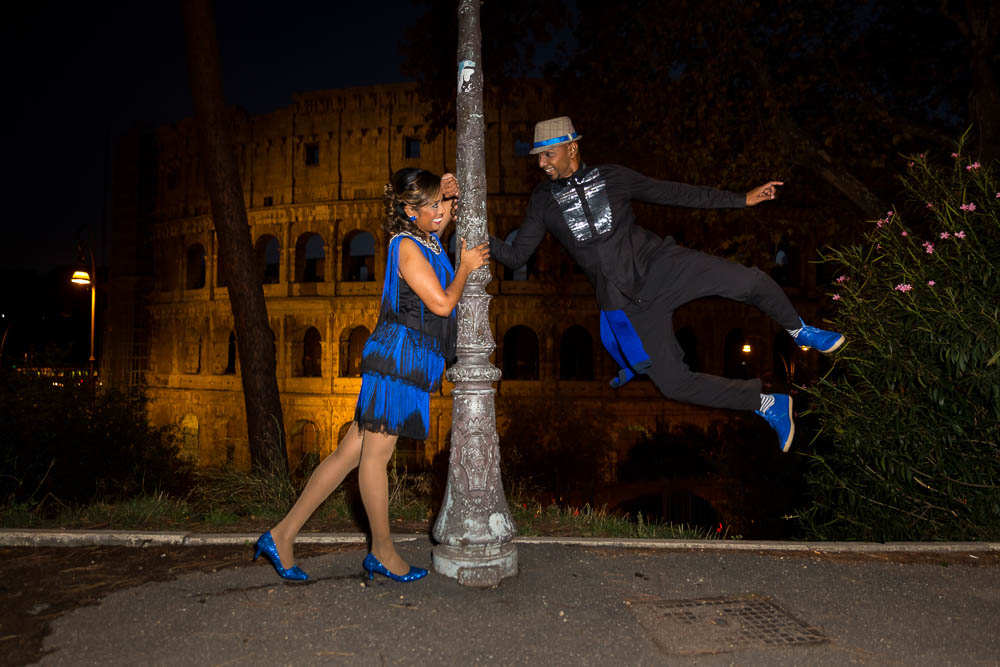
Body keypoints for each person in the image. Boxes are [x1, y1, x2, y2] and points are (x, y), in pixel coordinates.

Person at [488, 117, 845, 453]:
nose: (541, 163)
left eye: (548, 154)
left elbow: (674, 193)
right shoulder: (542, 201)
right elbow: (517, 256)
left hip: (662, 267)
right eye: (538, 157)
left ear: (572, 148)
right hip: (626, 304)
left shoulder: (614, 177)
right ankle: (768, 403)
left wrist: (742, 199)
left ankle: (801, 331)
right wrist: (481, 236)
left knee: (751, 281)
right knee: (674, 384)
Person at [255, 168, 490, 582]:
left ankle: (282, 535)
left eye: (440, 204)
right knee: (375, 458)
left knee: (350, 452)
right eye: (429, 206)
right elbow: (440, 304)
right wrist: (466, 267)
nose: (440, 212)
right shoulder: (407, 248)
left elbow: (443, 213)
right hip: (398, 363)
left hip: (407, 360)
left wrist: (447, 193)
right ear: (407, 211)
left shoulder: (425, 235)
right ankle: (381, 551)